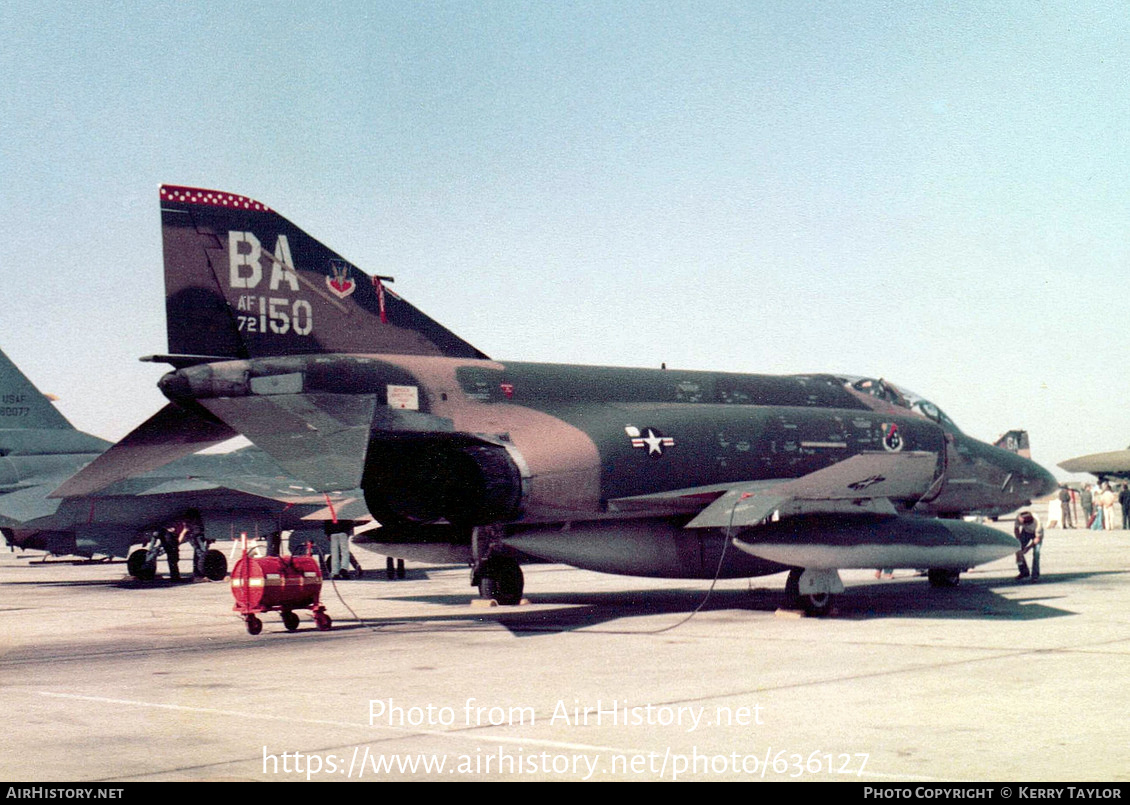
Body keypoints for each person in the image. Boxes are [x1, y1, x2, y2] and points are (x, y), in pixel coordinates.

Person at [1014, 510, 1043, 581]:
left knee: (1036, 554)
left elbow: (1037, 538)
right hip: (1025, 532)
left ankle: (1035, 576)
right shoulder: (1019, 517)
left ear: (1028, 523)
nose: (1019, 521)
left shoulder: (1038, 524)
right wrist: (1018, 541)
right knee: (1018, 549)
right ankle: (1024, 572)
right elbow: (1016, 529)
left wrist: (1028, 548)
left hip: (1036, 535)